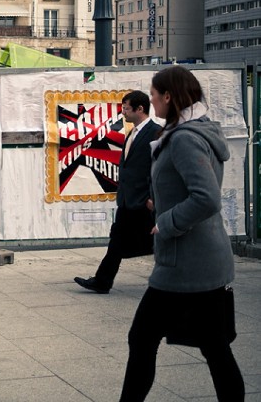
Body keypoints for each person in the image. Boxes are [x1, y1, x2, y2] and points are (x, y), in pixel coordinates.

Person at [119, 66, 243, 401]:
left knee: (143, 337)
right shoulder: (188, 130)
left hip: (187, 264)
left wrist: (167, 221)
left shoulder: (186, 138)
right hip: (199, 262)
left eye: (155, 93)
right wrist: (157, 201)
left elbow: (205, 197)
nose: (152, 98)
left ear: (168, 96)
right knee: (215, 350)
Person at [75, 90, 161, 294]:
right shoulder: (133, 132)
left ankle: (174, 278)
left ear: (140, 109)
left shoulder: (156, 132)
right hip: (127, 198)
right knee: (118, 239)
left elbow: (158, 168)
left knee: (155, 241)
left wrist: (152, 197)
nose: (123, 112)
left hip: (142, 200)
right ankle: (102, 281)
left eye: (126, 108)